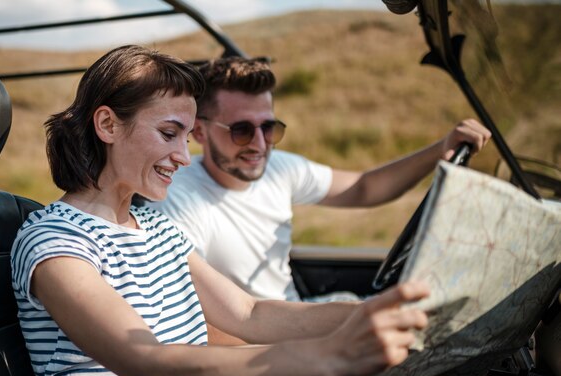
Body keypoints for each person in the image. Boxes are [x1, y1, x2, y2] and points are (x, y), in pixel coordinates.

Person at [11, 45, 458, 376]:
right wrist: (333, 355)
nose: (183, 157)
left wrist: (380, 316)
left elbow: (249, 314)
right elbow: (153, 368)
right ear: (107, 124)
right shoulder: (55, 239)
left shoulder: (153, 227)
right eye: (169, 133)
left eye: (185, 138)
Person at [147, 57, 492, 306]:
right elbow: (202, 321)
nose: (260, 143)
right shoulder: (178, 197)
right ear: (201, 133)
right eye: (241, 130)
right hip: (259, 354)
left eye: (269, 127)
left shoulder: (279, 168)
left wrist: (440, 150)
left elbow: (363, 188)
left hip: (298, 322)